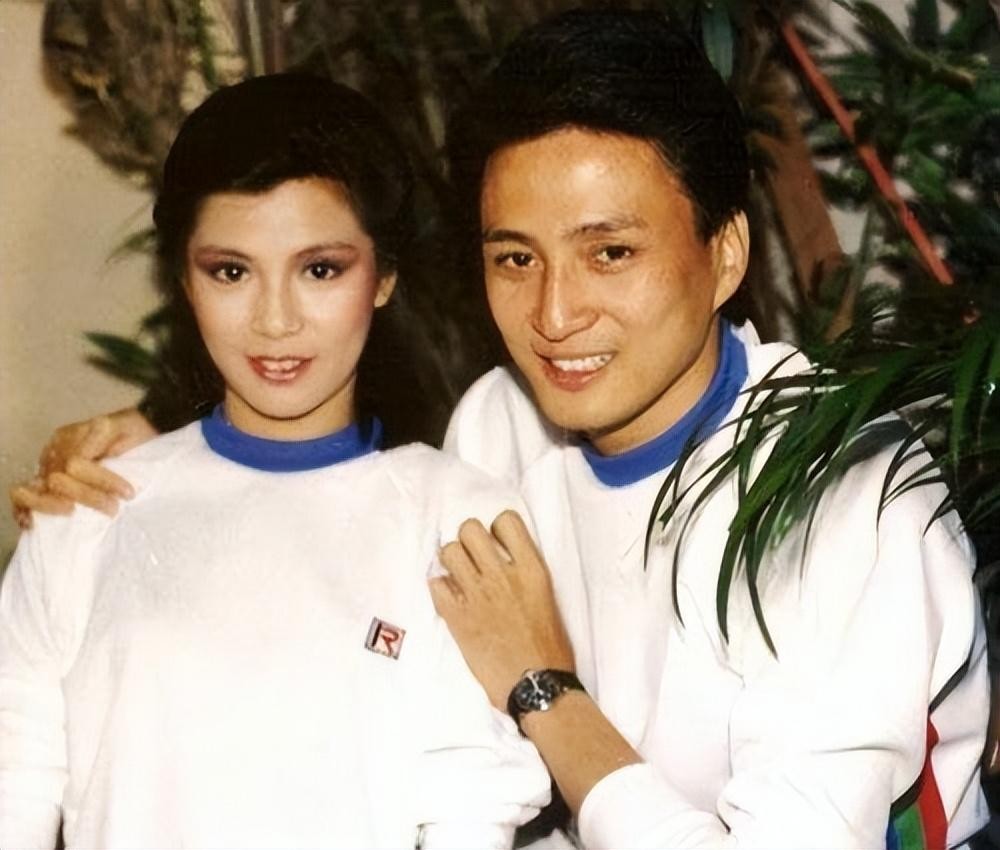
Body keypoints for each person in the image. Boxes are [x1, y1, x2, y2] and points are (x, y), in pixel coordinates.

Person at [11, 9, 989, 849]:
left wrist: (544, 689)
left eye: (610, 252)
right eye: (516, 258)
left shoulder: (841, 485)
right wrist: (165, 443)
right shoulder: (501, 422)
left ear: (725, 252)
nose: (555, 315)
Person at [0, 73, 550, 849]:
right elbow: (16, 772)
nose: (275, 319)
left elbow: (474, 801)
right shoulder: (90, 505)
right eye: (231, 271)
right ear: (183, 279)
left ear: (384, 276)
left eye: (320, 269)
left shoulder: (454, 516)